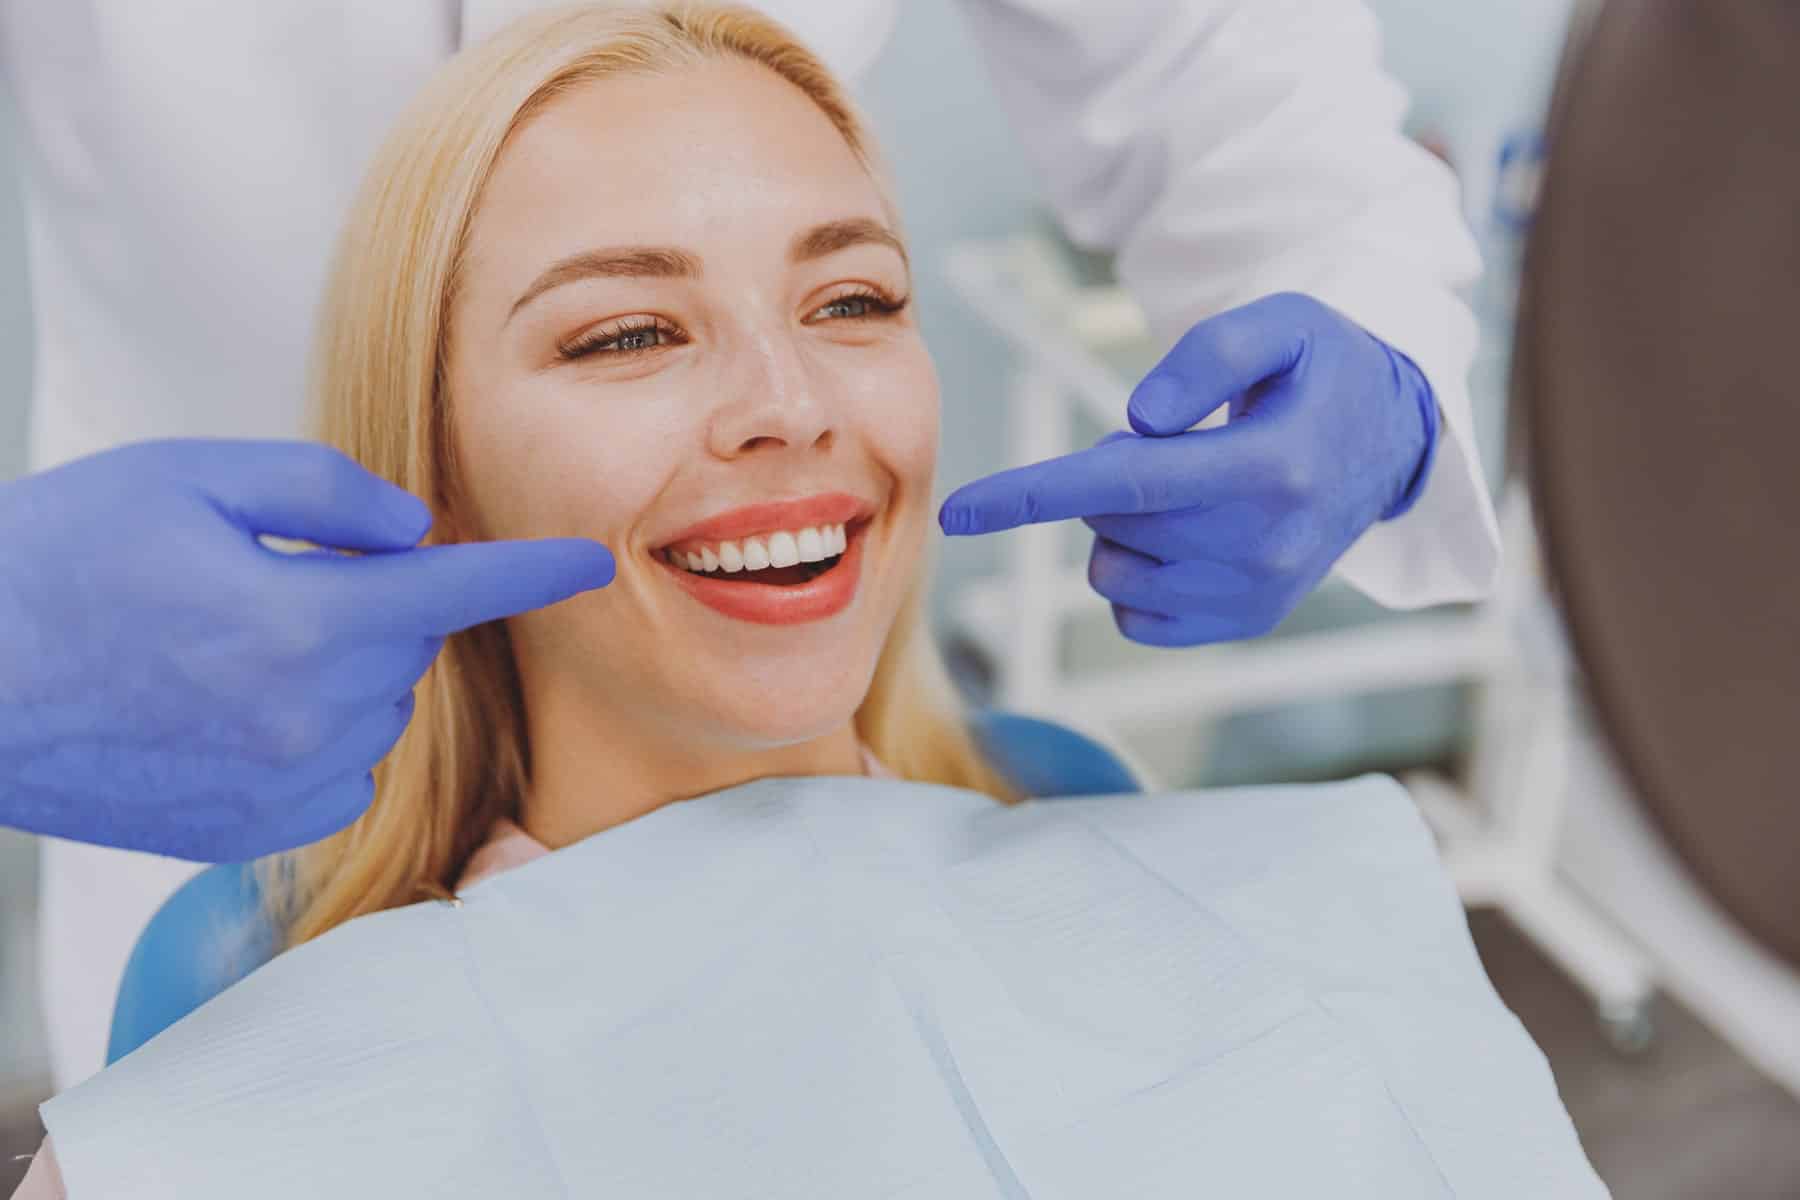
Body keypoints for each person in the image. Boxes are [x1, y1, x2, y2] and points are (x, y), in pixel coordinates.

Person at [13, 10, 1597, 1194]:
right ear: (433, 459)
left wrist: (1378, 368)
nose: (790, 403)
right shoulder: (224, 1127)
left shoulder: (1290, 909)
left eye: (853, 299)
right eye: (623, 335)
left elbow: (1221, 72)